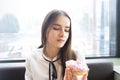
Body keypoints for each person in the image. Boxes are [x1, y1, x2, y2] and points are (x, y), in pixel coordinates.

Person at [25, 9, 89, 80]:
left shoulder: (77, 57)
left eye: (66, 30)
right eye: (56, 28)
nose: (63, 34)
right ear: (45, 29)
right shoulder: (32, 59)